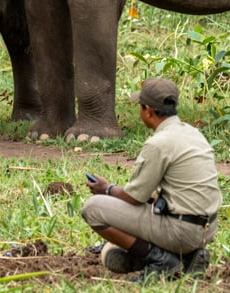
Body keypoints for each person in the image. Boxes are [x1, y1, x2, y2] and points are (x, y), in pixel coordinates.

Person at [81, 77, 221, 281]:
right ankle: (186, 257)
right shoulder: (193, 133)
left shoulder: (158, 143)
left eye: (139, 107)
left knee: (92, 209)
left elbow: (135, 198)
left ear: (147, 110)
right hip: (206, 231)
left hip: (182, 232)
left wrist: (107, 189)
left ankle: (161, 260)